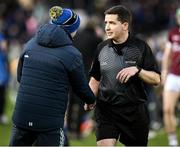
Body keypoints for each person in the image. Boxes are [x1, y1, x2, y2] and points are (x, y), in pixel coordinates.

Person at [9, 6, 96, 146]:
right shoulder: (72, 54)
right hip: (49, 123)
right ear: (72, 29)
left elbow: (20, 77)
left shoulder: (30, 44)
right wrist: (91, 100)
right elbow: (80, 88)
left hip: (22, 117)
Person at [85, 5, 161, 146]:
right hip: (106, 111)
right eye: (106, 22)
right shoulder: (101, 48)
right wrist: (89, 98)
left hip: (134, 112)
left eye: (112, 23)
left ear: (125, 25)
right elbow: (95, 78)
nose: (107, 27)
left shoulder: (141, 47)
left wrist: (138, 70)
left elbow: (156, 79)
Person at [161, 7, 180, 147]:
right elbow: (167, 55)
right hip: (174, 75)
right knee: (167, 109)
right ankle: (172, 140)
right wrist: (164, 71)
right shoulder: (173, 33)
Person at [0, 32, 9, 124]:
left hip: (2, 72)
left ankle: (2, 114)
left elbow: (4, 48)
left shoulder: (1, 35)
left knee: (2, 94)